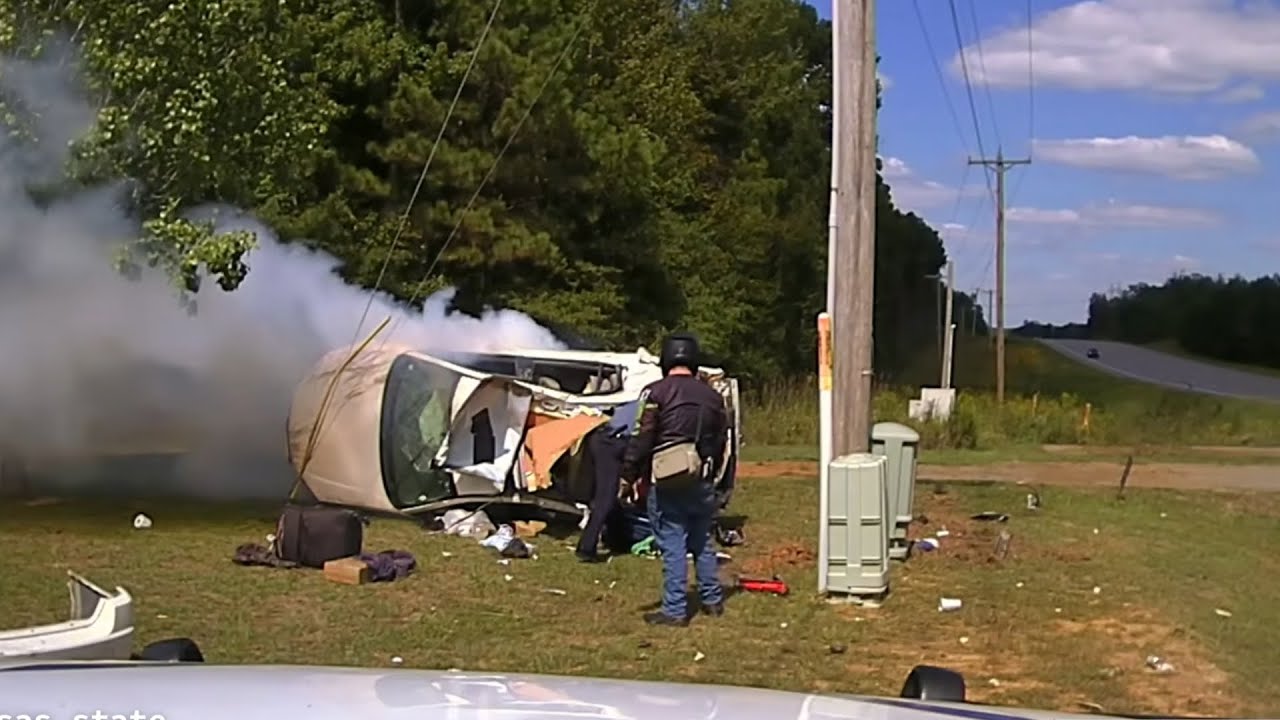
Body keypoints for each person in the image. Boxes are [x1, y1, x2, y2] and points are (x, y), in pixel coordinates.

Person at [620, 332, 728, 627]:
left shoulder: (655, 393)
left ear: (665, 360)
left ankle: (675, 609)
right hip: (702, 476)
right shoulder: (714, 396)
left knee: (672, 542)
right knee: (702, 540)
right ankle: (712, 599)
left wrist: (628, 475)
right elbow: (721, 440)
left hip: (667, 478)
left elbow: (642, 438)